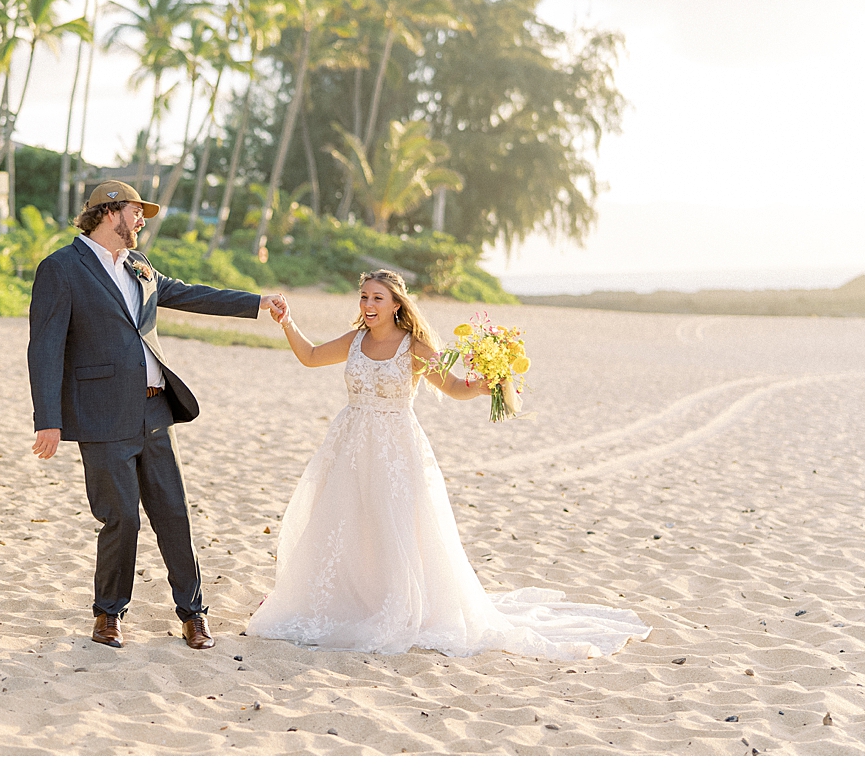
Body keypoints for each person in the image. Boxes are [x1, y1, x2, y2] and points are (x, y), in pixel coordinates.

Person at [247, 270, 650, 658]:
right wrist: (287, 322)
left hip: (396, 448)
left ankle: (397, 606)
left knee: (395, 525)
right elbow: (312, 356)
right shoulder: (355, 340)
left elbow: (454, 387)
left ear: (395, 304)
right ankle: (348, 601)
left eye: (377, 298)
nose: (369, 304)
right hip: (349, 443)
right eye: (364, 297)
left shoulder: (415, 347)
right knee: (345, 522)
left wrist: (485, 386)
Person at [28, 180, 282, 651]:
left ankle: (194, 615)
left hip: (155, 410)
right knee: (121, 516)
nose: (142, 220)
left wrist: (255, 303)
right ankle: (108, 615)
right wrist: (48, 417)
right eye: (135, 211)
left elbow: (188, 294)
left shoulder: (139, 265)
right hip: (102, 416)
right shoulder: (61, 268)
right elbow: (44, 347)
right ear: (109, 212)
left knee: (174, 514)